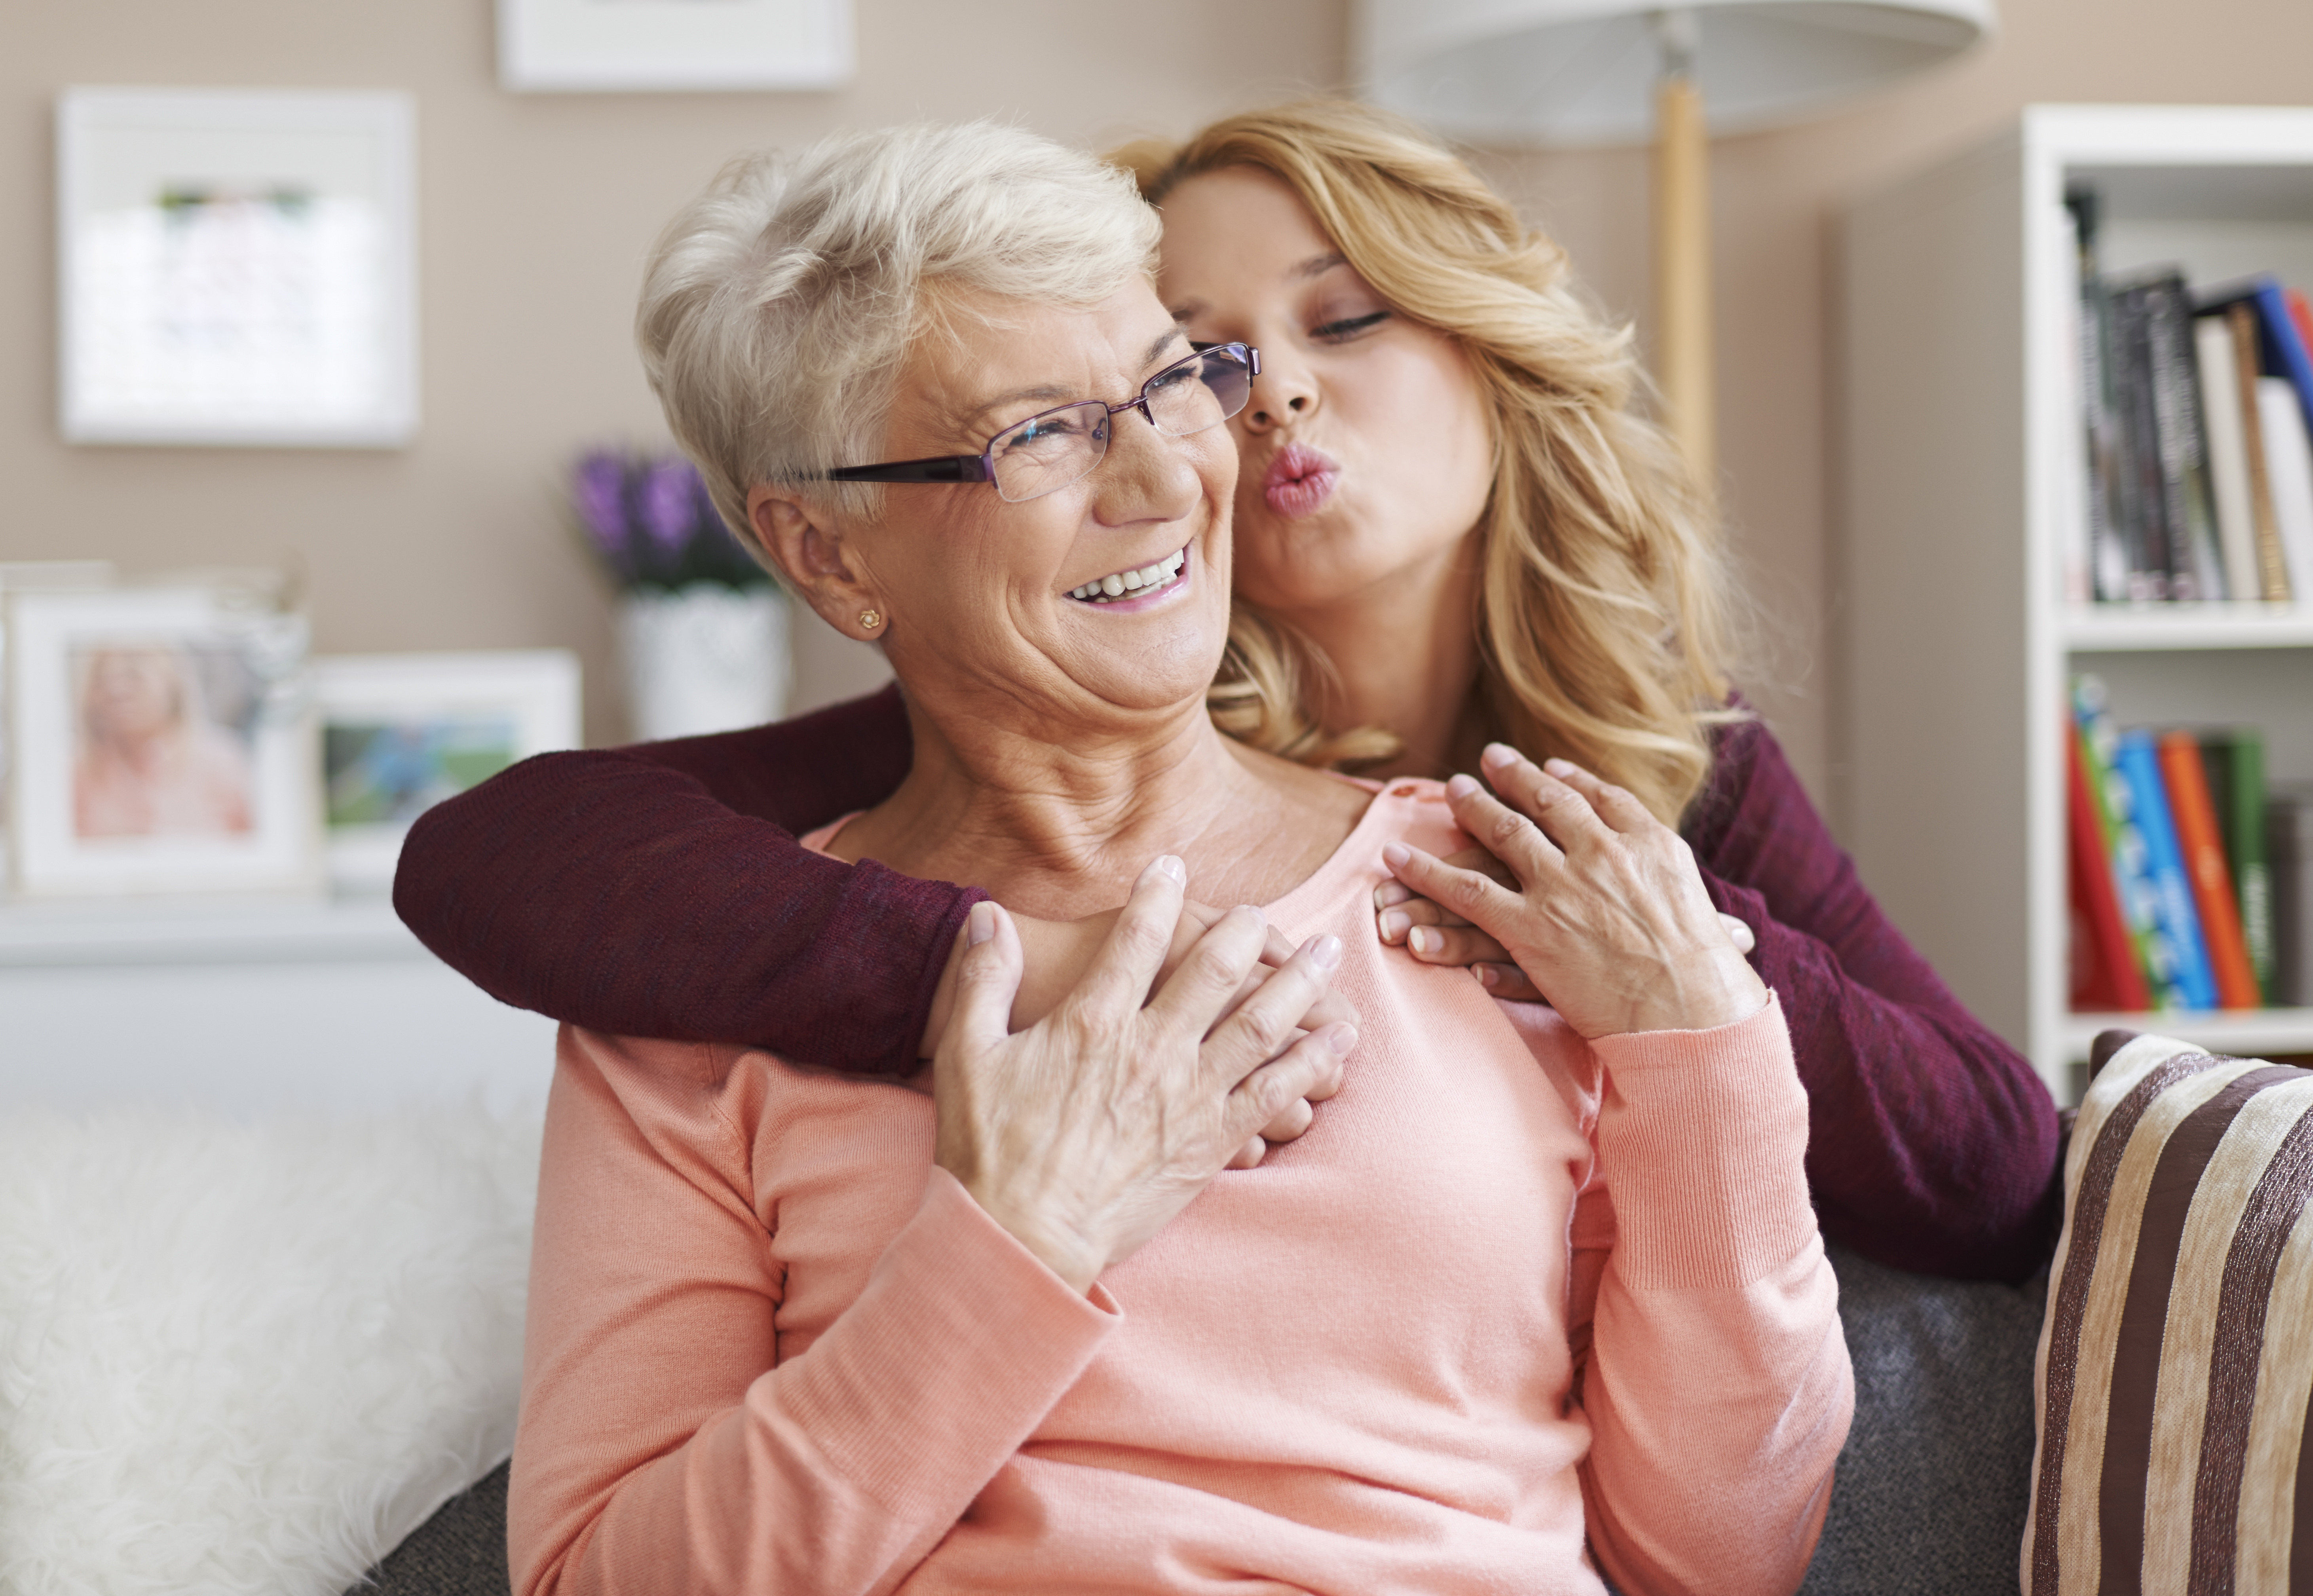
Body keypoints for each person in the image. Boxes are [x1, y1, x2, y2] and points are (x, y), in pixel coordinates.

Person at [510, 118, 1847, 1596]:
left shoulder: (1499, 899)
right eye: (1040, 434)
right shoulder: (689, 1008)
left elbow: (1720, 1560)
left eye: (1164, 382)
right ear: (828, 553)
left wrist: (1706, 1051)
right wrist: (1014, 1239)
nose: (1161, 478)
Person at [396, 100, 2060, 1282]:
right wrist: (1027, 968)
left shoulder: (1665, 769)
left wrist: (1660, 955)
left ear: (1493, 358)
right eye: (1203, 356)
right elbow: (512, 846)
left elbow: (1999, 1166)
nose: (1265, 398)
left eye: (1341, 320)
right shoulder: (1068, 738)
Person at [73, 646, 253, 838]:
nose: (115, 690)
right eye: (101, 680)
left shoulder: (223, 761)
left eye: (133, 675)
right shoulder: (75, 772)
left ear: (172, 682)